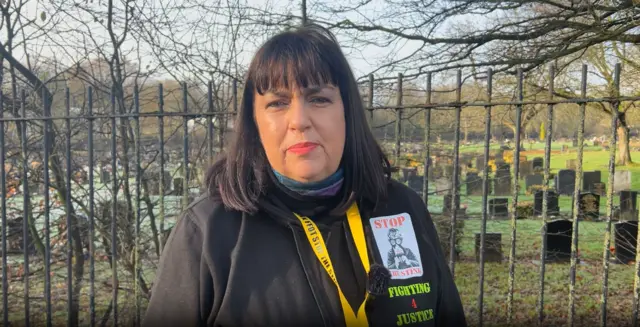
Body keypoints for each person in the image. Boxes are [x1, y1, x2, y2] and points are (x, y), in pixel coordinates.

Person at [143, 23, 466, 327]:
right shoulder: (209, 229)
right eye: (278, 103)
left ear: (347, 113)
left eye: (319, 99)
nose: (299, 120)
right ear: (255, 123)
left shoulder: (401, 207)